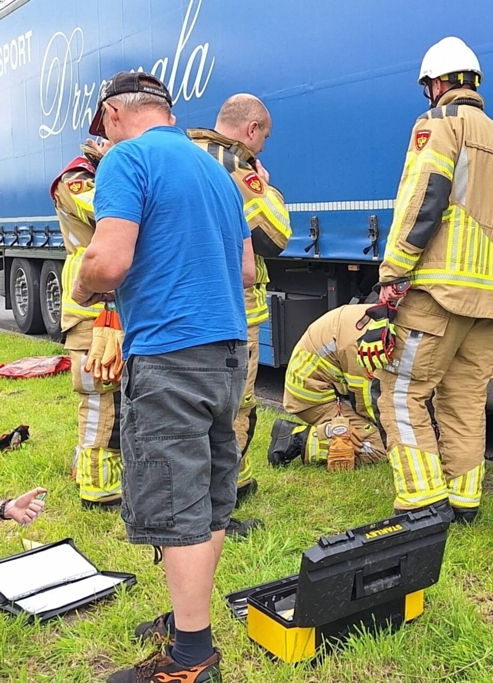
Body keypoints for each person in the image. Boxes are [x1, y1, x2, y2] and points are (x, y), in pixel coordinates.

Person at [72, 71, 254, 683]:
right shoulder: (218, 171)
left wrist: (82, 283)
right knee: (206, 498)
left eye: (103, 126)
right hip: (228, 351)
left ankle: (190, 660)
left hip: (170, 353)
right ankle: (185, 623)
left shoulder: (126, 159)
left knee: (176, 506)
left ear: (115, 114)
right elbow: (249, 269)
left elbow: (109, 259)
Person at [359, 37, 493, 524]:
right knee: (465, 401)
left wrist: (392, 277)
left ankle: (422, 500)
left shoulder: (437, 125)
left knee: (401, 392)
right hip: (489, 302)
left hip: (437, 294)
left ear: (436, 84)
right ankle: (463, 501)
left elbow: (422, 200)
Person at [188, 95, 292, 504]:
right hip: (234, 308)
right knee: (234, 406)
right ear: (251, 129)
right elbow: (276, 236)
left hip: (190, 304)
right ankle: (220, 501)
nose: (262, 146)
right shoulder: (236, 167)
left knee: (199, 404)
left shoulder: (188, 154)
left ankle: (235, 484)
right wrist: (265, 186)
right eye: (264, 136)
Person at [50, 139, 123, 509]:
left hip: (117, 308)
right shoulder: (76, 178)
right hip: (89, 312)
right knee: (99, 399)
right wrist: (117, 164)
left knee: (122, 400)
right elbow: (114, 213)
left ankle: (110, 475)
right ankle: (98, 490)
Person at [267, 304, 386, 469]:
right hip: (313, 397)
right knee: (382, 445)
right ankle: (297, 439)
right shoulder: (365, 344)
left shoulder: (378, 319)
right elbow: (367, 400)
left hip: (319, 385)